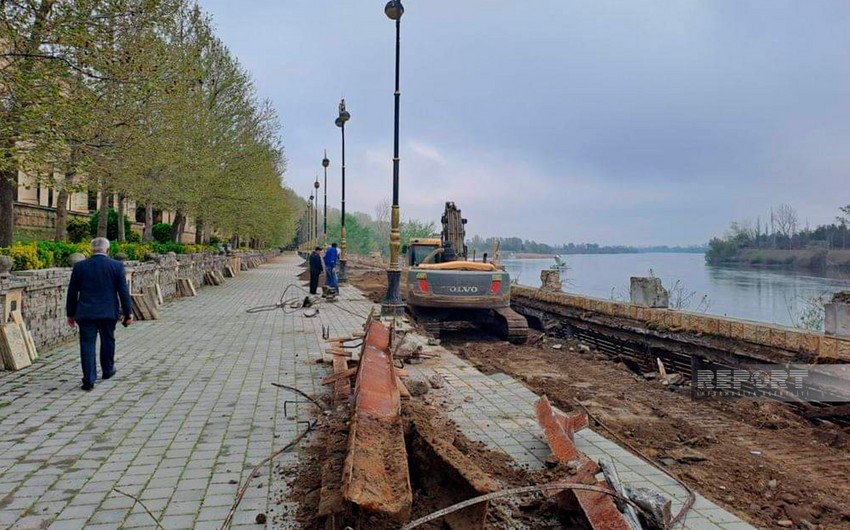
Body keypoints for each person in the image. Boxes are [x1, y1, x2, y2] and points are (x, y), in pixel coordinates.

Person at [65, 237, 134, 391]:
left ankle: (89, 379)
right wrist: (128, 312)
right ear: (107, 250)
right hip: (108, 312)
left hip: (85, 313)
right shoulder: (116, 266)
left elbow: (72, 293)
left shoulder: (80, 267)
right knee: (108, 340)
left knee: (87, 344)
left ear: (91, 250)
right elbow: (123, 292)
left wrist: (70, 313)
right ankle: (108, 370)